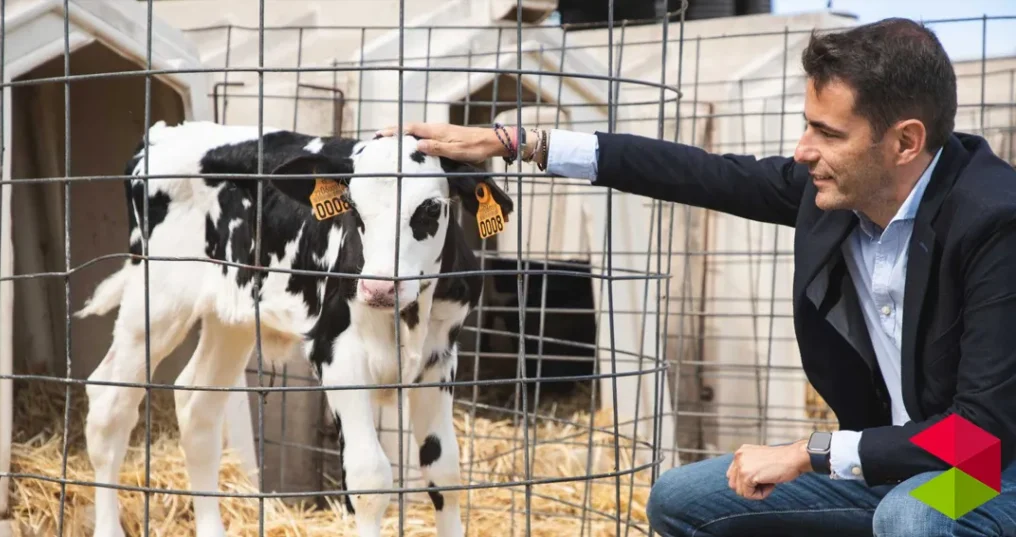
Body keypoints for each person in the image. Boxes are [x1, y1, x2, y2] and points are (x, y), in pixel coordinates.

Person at [376, 17, 1016, 537]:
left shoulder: (995, 223)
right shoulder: (834, 192)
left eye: (827, 131)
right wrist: (519, 142)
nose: (802, 150)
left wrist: (815, 451)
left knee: (912, 516)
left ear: (905, 142)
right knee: (681, 500)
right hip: (890, 459)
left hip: (990, 465)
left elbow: (978, 433)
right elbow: (696, 172)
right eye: (806, 124)